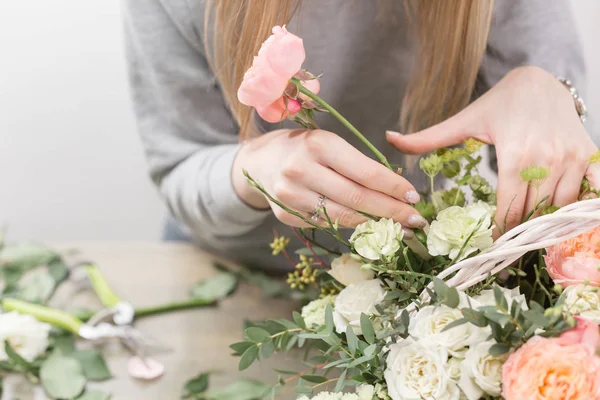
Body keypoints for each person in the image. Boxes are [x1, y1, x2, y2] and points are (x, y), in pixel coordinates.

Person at [123, 0, 598, 271]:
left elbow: (570, 174)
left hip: (413, 272)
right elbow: (179, 165)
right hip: (228, 270)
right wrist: (253, 172)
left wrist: (553, 95)